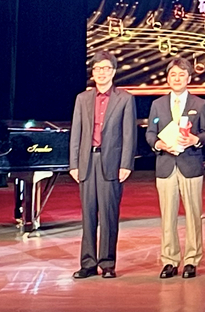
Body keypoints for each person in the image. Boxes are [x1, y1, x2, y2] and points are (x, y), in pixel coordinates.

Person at [69, 50, 137, 279]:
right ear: (93, 72)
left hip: (112, 163)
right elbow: (76, 134)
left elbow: (129, 135)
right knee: (88, 215)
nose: (101, 73)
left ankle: (107, 263)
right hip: (87, 162)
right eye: (97, 69)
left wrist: (126, 164)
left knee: (109, 215)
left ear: (113, 72)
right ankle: (88, 263)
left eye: (106, 68)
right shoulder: (82, 99)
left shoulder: (125, 99)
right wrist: (74, 164)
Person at [145, 57, 205, 279]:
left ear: (189, 78)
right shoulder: (157, 104)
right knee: (167, 216)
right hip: (165, 165)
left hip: (190, 164)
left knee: (193, 214)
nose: (177, 78)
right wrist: (158, 144)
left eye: (181, 75)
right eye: (173, 74)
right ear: (167, 78)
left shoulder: (199, 104)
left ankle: (192, 260)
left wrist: (195, 140)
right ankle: (169, 260)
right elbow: (150, 133)